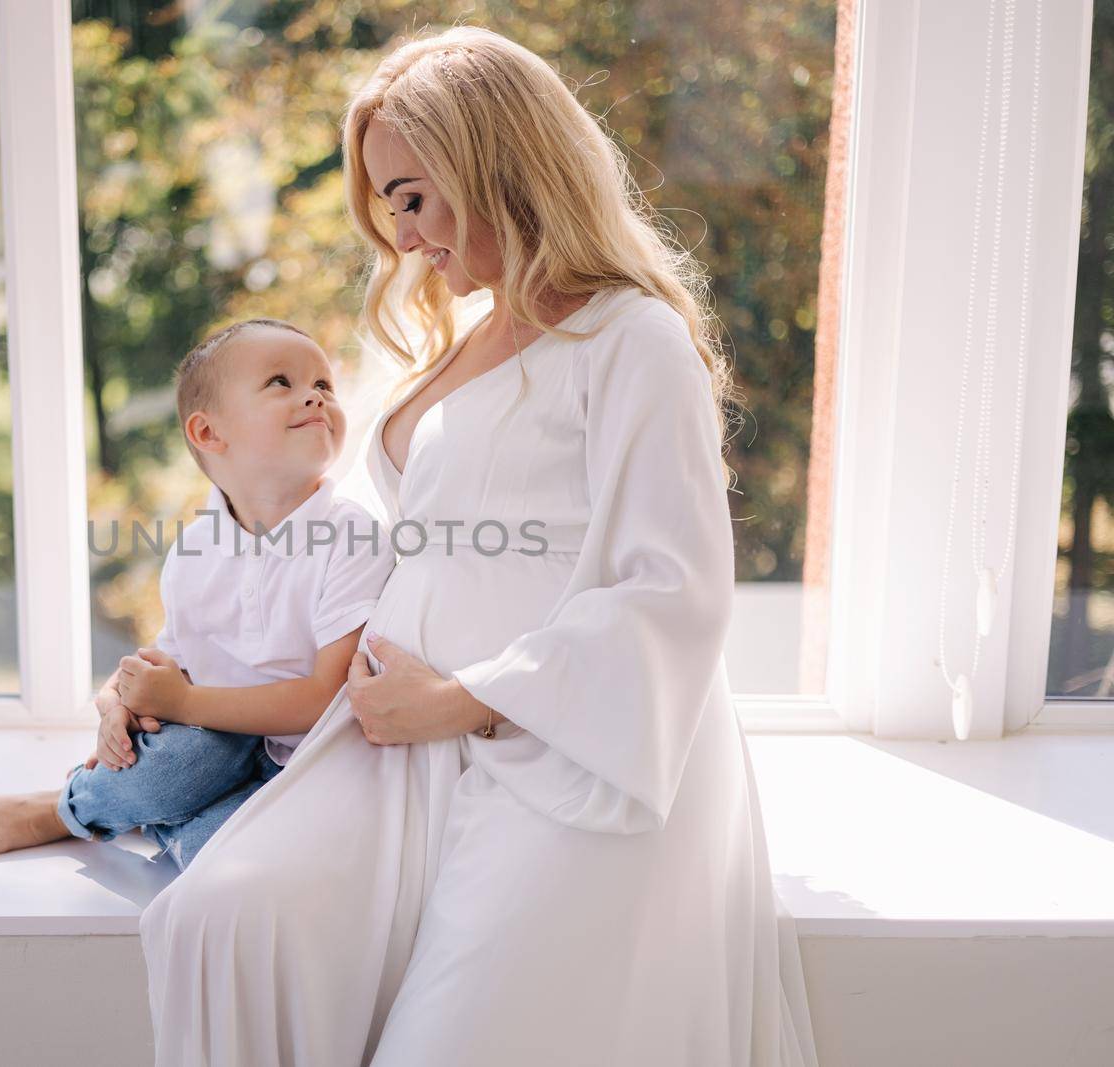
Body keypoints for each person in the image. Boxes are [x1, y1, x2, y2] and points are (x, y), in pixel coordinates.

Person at [138, 27, 820, 1066]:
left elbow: (672, 587)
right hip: (391, 742)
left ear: (493, 160)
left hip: (566, 748)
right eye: (388, 206)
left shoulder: (630, 340)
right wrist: (169, 673)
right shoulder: (451, 340)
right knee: (216, 918)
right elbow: (323, 545)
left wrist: (459, 699)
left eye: (412, 196)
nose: (404, 238)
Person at [0, 318, 395, 870]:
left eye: (324, 385)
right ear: (209, 434)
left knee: (230, 854)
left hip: (311, 759)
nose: (313, 395)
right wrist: (119, 701)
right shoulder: (196, 546)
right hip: (211, 741)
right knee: (186, 760)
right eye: (280, 382)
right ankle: (78, 808)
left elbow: (327, 698)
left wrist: (183, 702)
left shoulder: (351, 535)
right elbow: (172, 661)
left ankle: (120, 812)